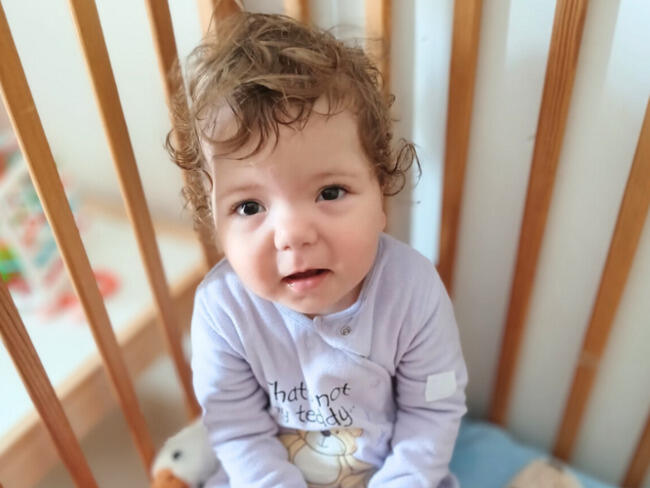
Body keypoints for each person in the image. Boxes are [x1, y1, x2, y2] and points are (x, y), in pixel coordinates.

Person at [166, 10, 468, 488]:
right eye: (249, 207)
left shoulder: (412, 291)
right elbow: (237, 430)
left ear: (381, 193)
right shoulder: (222, 310)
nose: (292, 234)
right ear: (215, 224)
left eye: (329, 193)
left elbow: (432, 413)